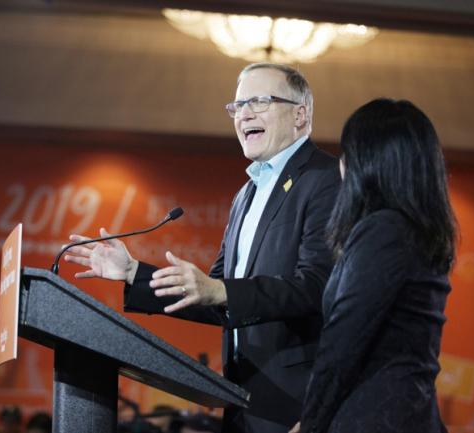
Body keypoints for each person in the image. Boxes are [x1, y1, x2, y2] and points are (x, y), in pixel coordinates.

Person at [65, 63, 341, 432]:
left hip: (299, 406)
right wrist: (134, 273)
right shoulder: (246, 195)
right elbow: (216, 299)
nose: (244, 114)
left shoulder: (325, 179)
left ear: (300, 114)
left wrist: (219, 290)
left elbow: (315, 286)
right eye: (237, 106)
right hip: (243, 401)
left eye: (259, 102)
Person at [288, 98, 457, 433]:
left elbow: (343, 342)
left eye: (346, 153)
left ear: (368, 164)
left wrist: (309, 425)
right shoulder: (419, 232)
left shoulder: (384, 230)